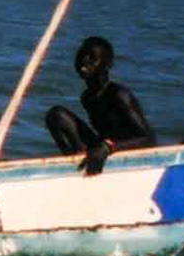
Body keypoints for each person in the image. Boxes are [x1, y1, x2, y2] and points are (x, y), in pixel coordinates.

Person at [45, 35, 157, 176]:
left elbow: (148, 139)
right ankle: (74, 162)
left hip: (122, 150)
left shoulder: (119, 95)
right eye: (81, 55)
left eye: (92, 57)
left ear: (107, 64)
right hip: (101, 148)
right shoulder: (87, 97)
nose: (84, 61)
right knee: (56, 115)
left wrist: (109, 148)